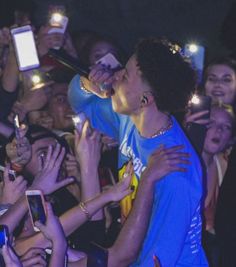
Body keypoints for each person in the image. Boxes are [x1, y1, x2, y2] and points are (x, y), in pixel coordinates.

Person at [68, 38, 208, 266]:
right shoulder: (129, 119)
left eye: (124, 76)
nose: (114, 76)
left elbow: (158, 259)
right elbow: (80, 103)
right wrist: (87, 84)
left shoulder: (177, 170)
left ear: (146, 99)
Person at [201, 104, 235, 267]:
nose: (219, 130)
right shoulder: (181, 160)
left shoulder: (224, 165)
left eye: (226, 127)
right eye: (212, 123)